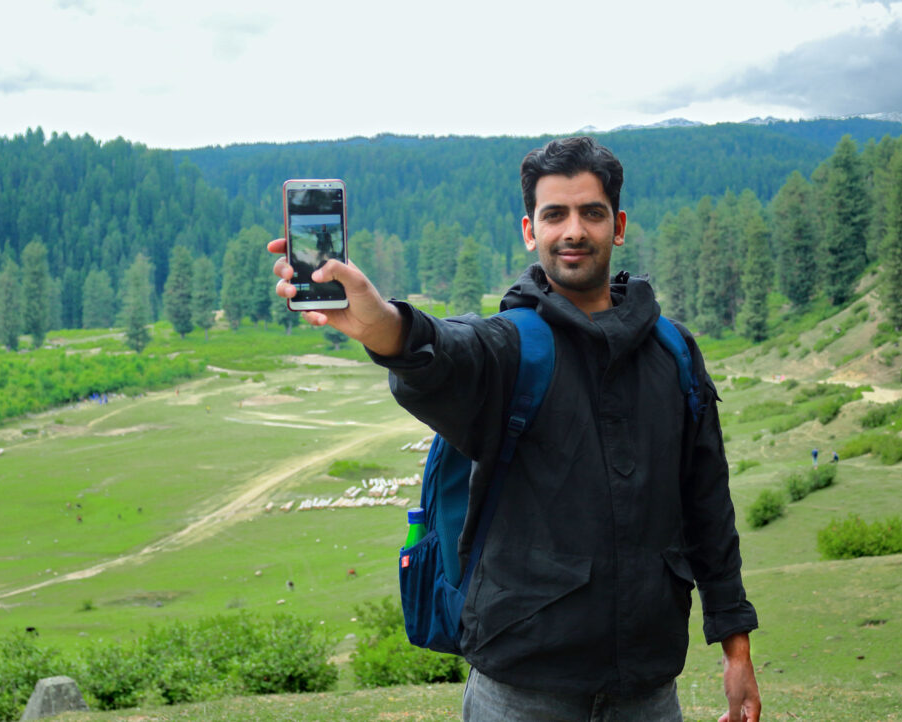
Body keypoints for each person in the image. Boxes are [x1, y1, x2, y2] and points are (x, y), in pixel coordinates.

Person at [270, 136, 760, 722]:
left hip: (649, 692)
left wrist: (736, 647)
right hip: (519, 694)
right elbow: (441, 351)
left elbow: (708, 505)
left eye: (591, 213)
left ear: (618, 226)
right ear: (530, 231)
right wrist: (380, 324)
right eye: (554, 215)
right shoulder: (509, 347)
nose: (573, 231)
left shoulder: (673, 351)